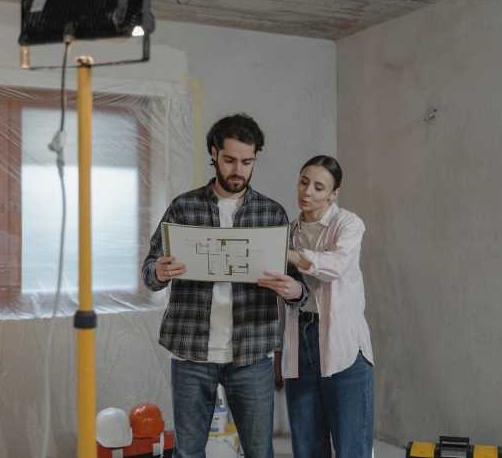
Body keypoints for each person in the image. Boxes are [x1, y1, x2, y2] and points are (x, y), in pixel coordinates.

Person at [142, 113, 305, 458]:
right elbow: (149, 274)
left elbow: (299, 288)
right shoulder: (184, 207)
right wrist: (159, 270)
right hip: (191, 350)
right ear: (214, 153)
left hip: (251, 354)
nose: (238, 170)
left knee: (260, 451)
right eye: (230, 159)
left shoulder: (271, 214)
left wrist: (294, 292)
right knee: (188, 451)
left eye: (247, 162)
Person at [259, 155, 374, 458]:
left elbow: (334, 267)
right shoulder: (290, 230)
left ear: (333, 193)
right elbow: (283, 300)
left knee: (352, 448)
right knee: (307, 447)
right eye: (304, 181)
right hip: (300, 348)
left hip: (345, 350)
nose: (307, 192)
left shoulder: (349, 224)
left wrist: (292, 255)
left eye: (319, 187)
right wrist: (279, 354)